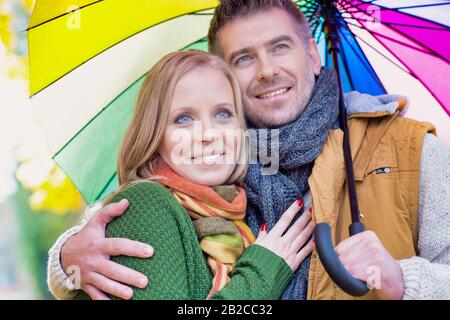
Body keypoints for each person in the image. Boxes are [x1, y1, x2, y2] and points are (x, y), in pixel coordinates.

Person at [48, 0, 450, 300]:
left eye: (279, 47)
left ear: (312, 53)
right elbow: (121, 225)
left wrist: (402, 280)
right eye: (243, 58)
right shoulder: (215, 160)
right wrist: (67, 255)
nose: (266, 70)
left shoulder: (411, 149)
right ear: (222, 74)